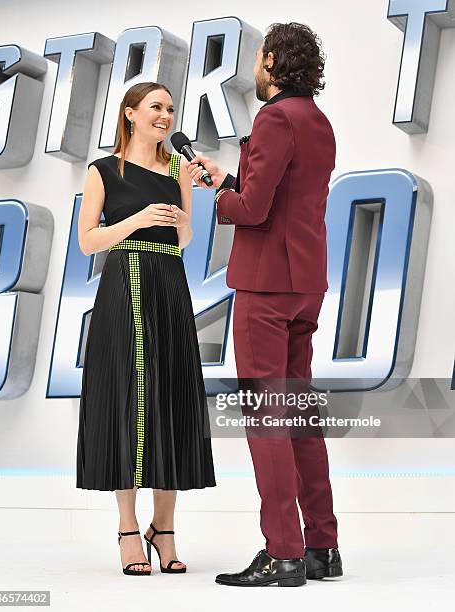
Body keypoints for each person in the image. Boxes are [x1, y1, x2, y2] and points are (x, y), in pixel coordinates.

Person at [187, 22, 342, 587]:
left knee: (266, 418)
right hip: (305, 283)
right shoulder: (317, 121)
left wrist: (222, 199)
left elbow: (252, 210)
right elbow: (283, 191)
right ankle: (322, 547)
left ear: (272, 61)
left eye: (257, 58)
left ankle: (284, 552)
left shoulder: (274, 118)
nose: (254, 67)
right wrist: (227, 177)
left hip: (267, 286)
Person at [76, 81, 216, 577]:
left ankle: (166, 527)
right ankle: (128, 528)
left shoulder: (179, 167)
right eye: (156, 107)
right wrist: (135, 219)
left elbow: (184, 238)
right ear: (131, 114)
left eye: (171, 109)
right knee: (128, 398)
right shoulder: (103, 170)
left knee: (171, 396)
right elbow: (88, 242)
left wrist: (180, 219)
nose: (166, 115)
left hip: (169, 285)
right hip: (124, 284)